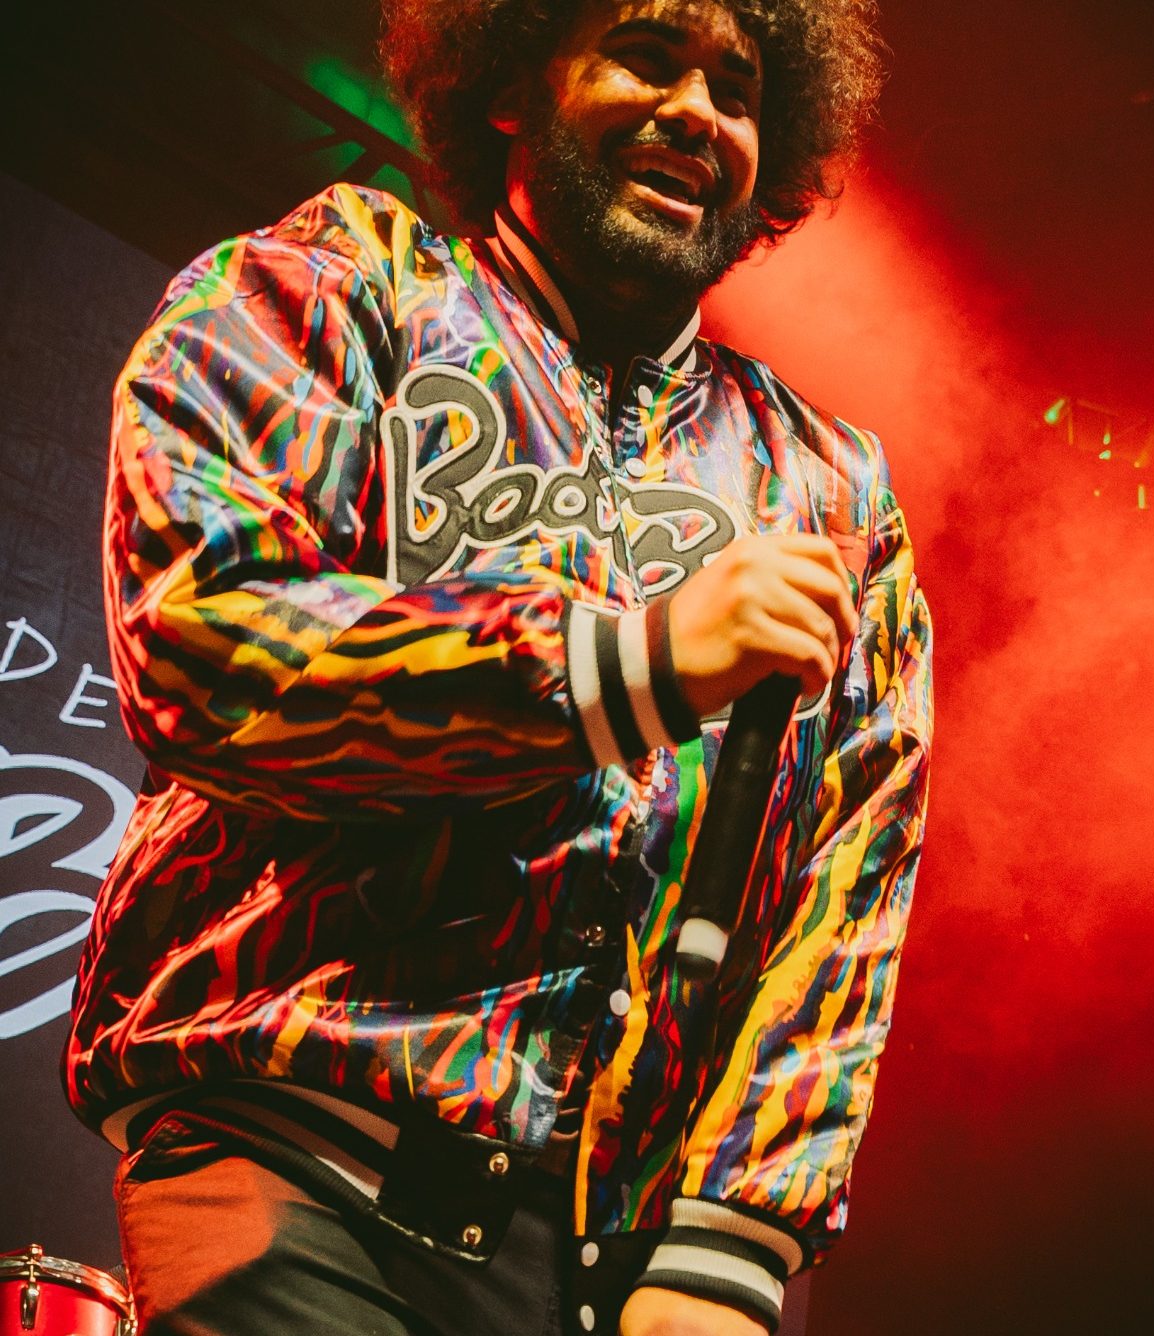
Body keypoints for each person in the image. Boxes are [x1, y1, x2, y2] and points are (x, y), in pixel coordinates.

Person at [64, 0, 933, 1332]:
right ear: (514, 83)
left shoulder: (827, 487)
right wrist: (631, 664)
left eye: (739, 88)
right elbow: (204, 641)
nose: (697, 112)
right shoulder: (332, 289)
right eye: (648, 54)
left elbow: (850, 871)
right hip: (301, 1161)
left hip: (622, 1261)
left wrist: (736, 1240)